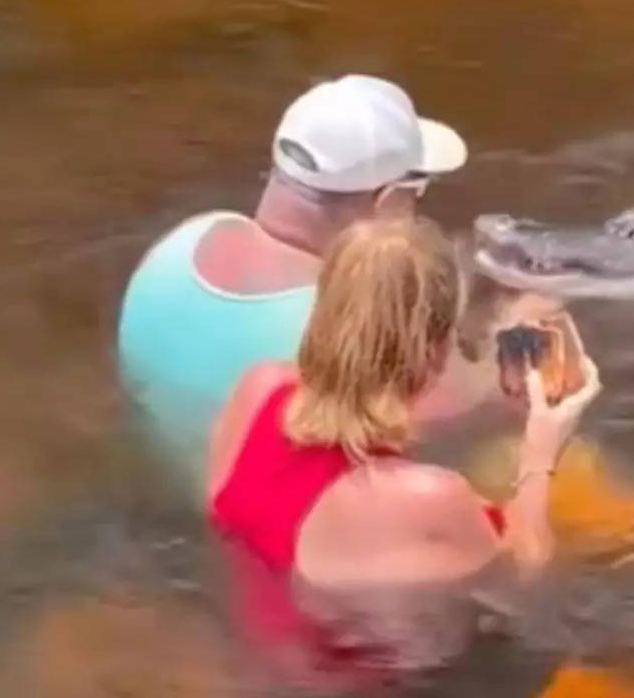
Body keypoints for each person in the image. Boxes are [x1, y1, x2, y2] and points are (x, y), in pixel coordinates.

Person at [205, 217, 602, 676]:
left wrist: (492, 386)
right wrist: (542, 448)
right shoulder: (426, 499)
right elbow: (531, 577)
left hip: (260, 662)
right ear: (432, 351)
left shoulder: (257, 391)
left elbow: (354, 406)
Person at [116, 74, 469, 482]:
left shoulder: (180, 243)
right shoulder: (346, 323)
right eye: (416, 190)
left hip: (168, 491)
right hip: (276, 534)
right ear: (387, 204)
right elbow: (444, 414)